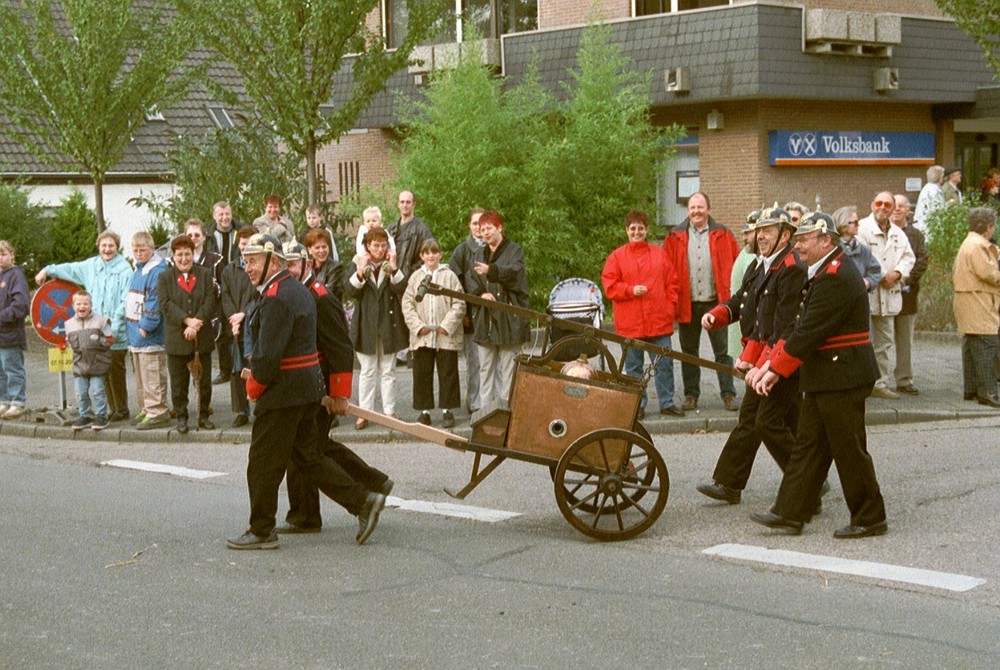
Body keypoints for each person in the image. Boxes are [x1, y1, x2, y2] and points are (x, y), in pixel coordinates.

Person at [226, 234, 385, 550]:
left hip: (282, 392)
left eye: (254, 260)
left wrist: (254, 386)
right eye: (245, 261)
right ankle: (363, 501)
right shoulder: (297, 290)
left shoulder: (276, 296)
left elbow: (269, 358)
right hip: (306, 390)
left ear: (273, 260)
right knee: (308, 457)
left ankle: (261, 530)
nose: (247, 267)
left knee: (262, 463)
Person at [750, 211, 887, 539]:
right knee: (809, 447)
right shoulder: (825, 270)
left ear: (826, 240)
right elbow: (802, 327)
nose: (798, 245)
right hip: (829, 374)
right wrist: (773, 366)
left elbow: (808, 331)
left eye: (804, 239)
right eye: (796, 239)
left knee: (849, 448)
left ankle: (870, 516)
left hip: (843, 375)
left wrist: (775, 370)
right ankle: (791, 512)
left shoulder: (835, 275)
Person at [275, 241, 393, 535]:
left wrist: (339, 393)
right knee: (312, 448)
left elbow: (340, 348)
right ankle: (369, 484)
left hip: (321, 388)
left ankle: (354, 500)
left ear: (307, 265)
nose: (288, 269)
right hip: (305, 386)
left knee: (307, 451)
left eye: (293, 264)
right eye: (284, 264)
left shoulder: (320, 297)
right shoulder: (296, 294)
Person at [698, 205, 805, 504]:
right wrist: (717, 315)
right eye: (759, 231)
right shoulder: (759, 265)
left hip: (780, 360)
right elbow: (742, 302)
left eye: (768, 231)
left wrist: (757, 362)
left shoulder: (791, 268)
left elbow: (782, 327)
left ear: (786, 235)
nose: (761, 236)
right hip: (763, 357)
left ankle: (806, 482)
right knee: (762, 422)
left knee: (766, 423)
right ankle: (730, 484)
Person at [36, 230, 132, 422]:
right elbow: (69, 269)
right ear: (98, 246)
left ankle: (121, 408)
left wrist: (114, 325)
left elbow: (125, 300)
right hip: (93, 329)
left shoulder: (125, 269)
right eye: (104, 245)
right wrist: (48, 270)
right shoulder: (91, 266)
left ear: (117, 247)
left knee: (115, 368)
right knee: (100, 369)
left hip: (115, 328)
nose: (107, 249)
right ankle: (109, 410)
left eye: (111, 245)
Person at [601, 210, 682, 418]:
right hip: (631, 324)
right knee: (633, 368)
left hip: (659, 322)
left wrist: (669, 307)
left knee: (664, 365)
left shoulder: (659, 253)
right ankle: (638, 405)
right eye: (633, 228)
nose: (637, 232)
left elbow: (673, 283)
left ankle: (667, 403)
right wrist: (629, 290)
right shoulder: (616, 257)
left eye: (641, 228)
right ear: (627, 231)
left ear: (646, 230)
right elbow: (610, 286)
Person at [664, 192, 740, 412]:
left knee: (722, 352)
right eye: (692, 207)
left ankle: (728, 394)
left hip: (716, 303)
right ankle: (691, 395)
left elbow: (735, 266)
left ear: (709, 209)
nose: (696, 211)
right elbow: (666, 271)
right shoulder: (674, 236)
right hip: (687, 303)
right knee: (689, 353)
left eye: (700, 207)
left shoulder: (724, 234)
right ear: (687, 210)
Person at [344, 227, 408, 429]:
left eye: (383, 245)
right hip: (366, 325)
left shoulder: (391, 266)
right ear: (367, 246)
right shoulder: (358, 264)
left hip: (389, 324)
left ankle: (389, 412)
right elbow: (349, 291)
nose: (379, 249)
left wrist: (394, 266)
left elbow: (401, 288)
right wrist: (361, 270)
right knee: (368, 371)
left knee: (388, 370)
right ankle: (365, 413)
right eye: (375, 245)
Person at [466, 210, 530, 408]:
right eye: (482, 228)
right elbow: (470, 279)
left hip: (508, 319)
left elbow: (515, 273)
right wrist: (480, 295)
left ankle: (505, 415)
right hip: (485, 320)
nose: (485, 232)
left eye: (489, 228)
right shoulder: (478, 253)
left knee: (508, 370)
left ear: (500, 228)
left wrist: (491, 270)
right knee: (485, 369)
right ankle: (485, 415)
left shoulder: (514, 250)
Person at [858, 191, 916, 400]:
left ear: (892, 208)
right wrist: (883, 274)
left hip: (890, 296)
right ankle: (862, 382)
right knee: (864, 341)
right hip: (869, 293)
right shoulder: (862, 229)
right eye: (879, 203)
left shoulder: (899, 234)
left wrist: (898, 273)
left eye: (887, 204)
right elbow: (864, 255)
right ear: (872, 205)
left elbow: (909, 257)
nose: (883, 207)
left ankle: (879, 383)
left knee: (884, 342)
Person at [402, 239, 465, 428]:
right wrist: (417, 326)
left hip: (445, 334)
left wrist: (446, 325)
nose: (431, 256)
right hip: (423, 334)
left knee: (448, 373)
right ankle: (424, 411)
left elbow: (459, 303)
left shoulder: (450, 276)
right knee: (422, 372)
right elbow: (407, 304)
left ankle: (448, 410)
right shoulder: (415, 277)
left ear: (440, 254)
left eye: (434, 252)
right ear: (422, 256)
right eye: (427, 253)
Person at [158, 235, 217, 434]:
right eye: (180, 254)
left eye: (188, 254)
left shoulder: (205, 274)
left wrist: (196, 323)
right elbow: (165, 304)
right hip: (177, 337)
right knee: (179, 381)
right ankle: (182, 416)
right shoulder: (165, 277)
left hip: (201, 337)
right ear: (173, 256)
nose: (184, 258)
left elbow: (210, 300)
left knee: (204, 381)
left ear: (194, 254)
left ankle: (203, 415)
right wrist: (186, 320)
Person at [952, 207, 1000, 408]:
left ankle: (970, 389)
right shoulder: (978, 246)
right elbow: (989, 273)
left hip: (969, 299)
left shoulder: (969, 243)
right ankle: (988, 393)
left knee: (972, 346)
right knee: (987, 344)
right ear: (988, 227)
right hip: (979, 300)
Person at [124, 232, 171, 430]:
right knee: (141, 376)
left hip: (149, 335)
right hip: (135, 335)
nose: (138, 253)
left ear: (151, 249)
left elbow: (155, 302)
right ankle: (146, 407)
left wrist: (146, 327)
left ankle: (157, 410)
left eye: (142, 249)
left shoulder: (157, 271)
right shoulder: (139, 270)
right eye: (135, 250)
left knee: (152, 374)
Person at [388, 191, 433, 366]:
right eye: (402, 202)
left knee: (413, 315)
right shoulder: (391, 229)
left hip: (411, 279)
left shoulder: (421, 229)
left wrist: (412, 273)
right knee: (396, 315)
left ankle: (414, 353)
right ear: (398, 204)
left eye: (408, 202)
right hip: (393, 279)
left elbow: (429, 255)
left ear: (414, 204)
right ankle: (400, 351)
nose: (405, 205)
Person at [890, 194, 929, 396]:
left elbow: (922, 259)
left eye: (901, 206)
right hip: (883, 292)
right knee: (880, 340)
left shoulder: (916, 235)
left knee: (905, 339)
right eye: (893, 205)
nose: (896, 209)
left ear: (908, 210)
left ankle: (904, 379)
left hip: (906, 295)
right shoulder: (877, 231)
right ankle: (878, 381)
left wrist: (905, 278)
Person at [448, 208, 486, 414]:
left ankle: (490, 401)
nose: (479, 227)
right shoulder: (462, 251)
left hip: (492, 314)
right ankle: (474, 402)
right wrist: (462, 313)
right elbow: (456, 284)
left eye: (482, 223)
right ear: (469, 225)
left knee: (492, 362)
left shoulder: (494, 247)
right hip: (471, 314)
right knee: (475, 361)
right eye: (474, 223)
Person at [220, 227, 258, 427]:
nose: (245, 248)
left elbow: (256, 295)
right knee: (237, 371)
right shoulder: (229, 269)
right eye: (243, 244)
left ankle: (260, 407)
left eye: (250, 243)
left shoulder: (260, 267)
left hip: (253, 324)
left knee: (257, 369)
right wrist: (233, 318)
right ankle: (241, 410)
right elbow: (224, 295)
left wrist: (243, 313)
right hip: (234, 328)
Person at [186, 218, 229, 385]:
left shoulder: (216, 260)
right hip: (188, 316)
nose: (194, 238)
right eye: (190, 234)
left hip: (211, 314)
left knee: (204, 356)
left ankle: (204, 399)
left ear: (204, 237)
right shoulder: (179, 259)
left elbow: (223, 288)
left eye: (197, 234)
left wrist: (211, 286)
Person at [65, 291, 114, 431]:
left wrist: (99, 341)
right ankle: (84, 415)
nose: (82, 306)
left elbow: (110, 339)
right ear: (73, 306)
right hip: (79, 365)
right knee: (80, 392)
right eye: (78, 304)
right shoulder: (68, 324)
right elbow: (68, 342)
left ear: (91, 305)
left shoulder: (101, 321)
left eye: (85, 303)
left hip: (97, 363)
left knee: (98, 391)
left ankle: (101, 416)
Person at [0, 241, 30, 419]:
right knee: (1, 372)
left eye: (3, 254)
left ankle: (18, 402)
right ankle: (4, 401)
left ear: (12, 255)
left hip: (11, 335)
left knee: (13, 370)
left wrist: (2, 317)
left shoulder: (16, 276)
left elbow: (20, 305)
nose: (0, 258)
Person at [727, 210, 761, 361]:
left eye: (748, 232)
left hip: (755, 337)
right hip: (745, 332)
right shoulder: (750, 257)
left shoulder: (753, 257)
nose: (744, 238)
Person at [832, 206, 881, 291]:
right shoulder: (831, 249)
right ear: (843, 225)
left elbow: (875, 270)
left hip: (859, 299)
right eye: (855, 222)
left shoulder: (864, 250)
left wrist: (868, 282)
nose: (858, 225)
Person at [304, 227, 344, 300]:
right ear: (309, 250)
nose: (321, 251)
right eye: (317, 248)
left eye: (324, 247)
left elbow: (327, 294)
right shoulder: (307, 267)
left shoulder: (336, 267)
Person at [205, 201, 243, 265]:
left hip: (236, 272)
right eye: (221, 214)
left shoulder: (242, 232)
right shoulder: (207, 236)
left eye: (227, 214)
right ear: (214, 216)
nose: (225, 217)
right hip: (215, 273)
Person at [914, 165, 945, 236]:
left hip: (925, 228)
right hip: (929, 230)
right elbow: (936, 211)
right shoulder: (933, 191)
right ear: (940, 178)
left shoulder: (928, 188)